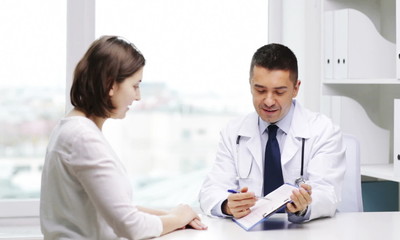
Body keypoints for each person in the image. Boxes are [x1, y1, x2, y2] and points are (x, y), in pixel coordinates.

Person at [40, 35, 207, 239]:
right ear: (111, 84)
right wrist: (178, 219)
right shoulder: (82, 137)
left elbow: (117, 209)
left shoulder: (72, 129)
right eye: (135, 85)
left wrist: (173, 216)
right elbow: (130, 226)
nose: (138, 97)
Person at [199, 43, 345, 223]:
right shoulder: (233, 132)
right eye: (260, 90)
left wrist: (304, 206)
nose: (268, 101)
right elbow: (211, 189)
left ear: (296, 88)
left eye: (279, 92)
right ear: (250, 85)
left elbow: (327, 193)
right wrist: (227, 206)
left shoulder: (323, 130)